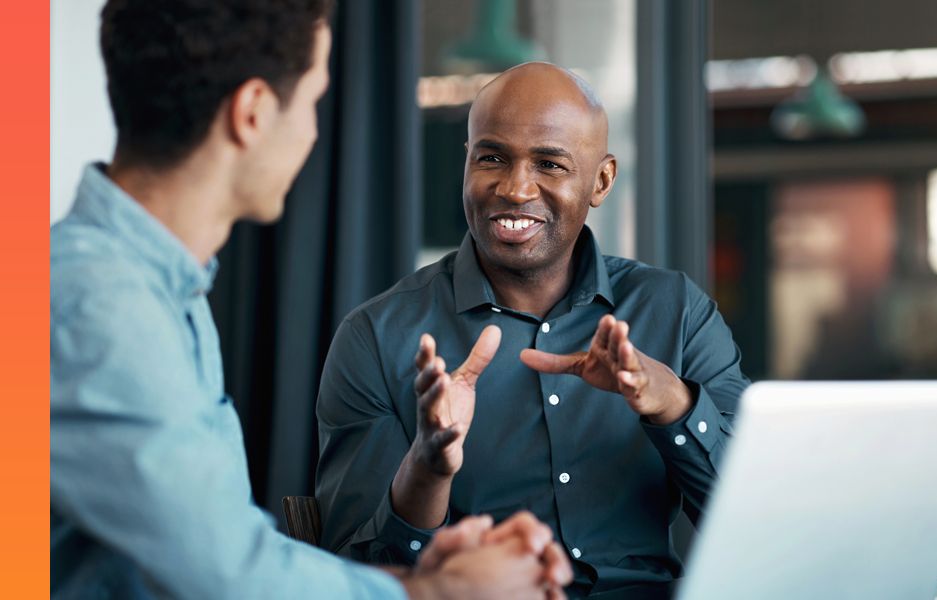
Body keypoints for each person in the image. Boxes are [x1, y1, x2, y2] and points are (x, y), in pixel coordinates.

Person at [50, 1, 572, 598]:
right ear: (252, 114)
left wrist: (419, 575)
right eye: (311, 102)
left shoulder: (155, 289)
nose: (313, 132)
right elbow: (227, 580)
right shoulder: (100, 307)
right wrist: (438, 593)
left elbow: (225, 544)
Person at [315, 62, 752, 596]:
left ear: (602, 180)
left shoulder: (676, 312)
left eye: (549, 164)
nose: (516, 188)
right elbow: (354, 575)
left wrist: (674, 404)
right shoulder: (377, 336)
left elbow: (753, 523)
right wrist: (427, 468)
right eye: (492, 158)